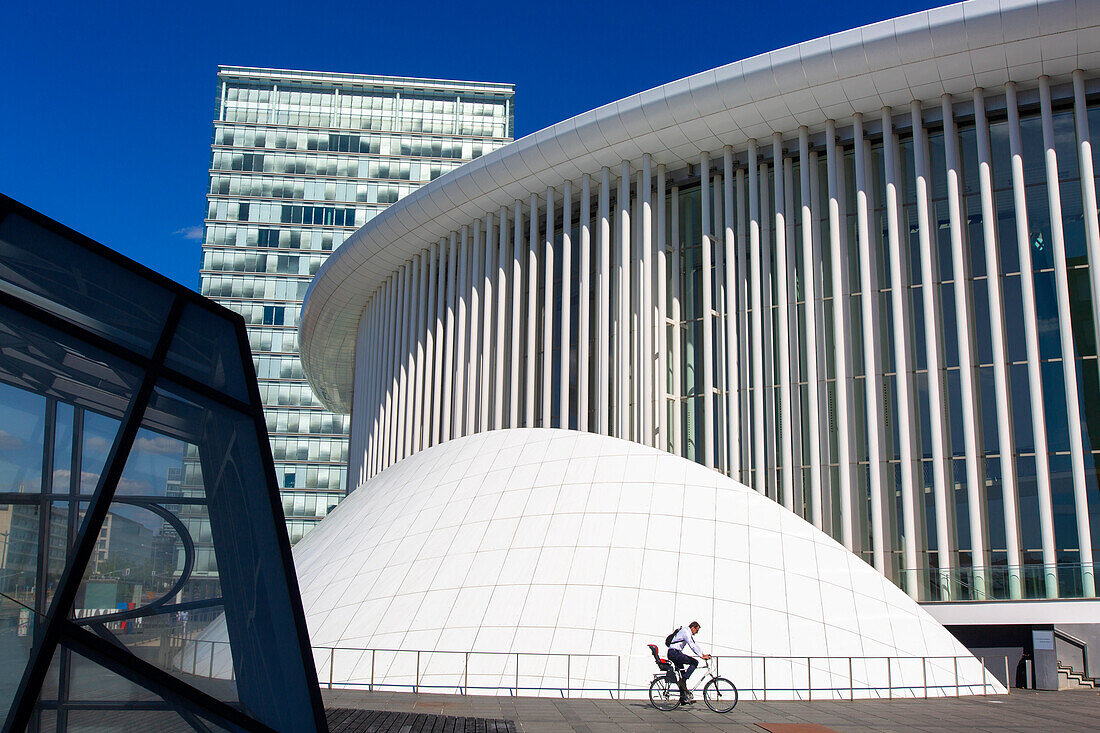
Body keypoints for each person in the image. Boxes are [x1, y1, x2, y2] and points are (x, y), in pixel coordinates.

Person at [667, 621, 710, 703]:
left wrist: (703, 654)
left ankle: (683, 699)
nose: (696, 633)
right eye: (696, 631)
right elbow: (692, 645)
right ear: (693, 628)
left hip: (674, 653)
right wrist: (701, 656)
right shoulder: (686, 632)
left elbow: (694, 644)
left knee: (682, 675)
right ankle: (683, 681)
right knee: (695, 662)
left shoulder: (686, 631)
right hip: (674, 653)